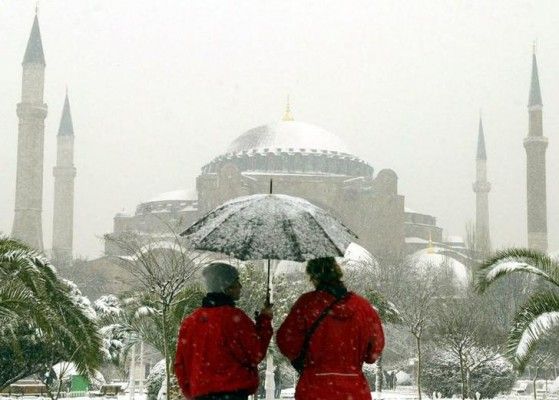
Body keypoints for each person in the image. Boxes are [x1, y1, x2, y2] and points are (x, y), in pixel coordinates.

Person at [277, 257, 384, 400]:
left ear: (314, 277)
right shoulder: (363, 307)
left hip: (314, 389)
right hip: (354, 390)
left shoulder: (306, 304)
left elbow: (287, 344)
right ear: (338, 273)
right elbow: (374, 352)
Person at [175, 262, 273, 400]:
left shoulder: (190, 322)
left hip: (200, 395)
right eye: (237, 282)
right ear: (226, 287)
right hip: (233, 394)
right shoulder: (235, 319)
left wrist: (193, 392)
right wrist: (265, 321)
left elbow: (180, 364)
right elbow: (256, 353)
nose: (240, 286)